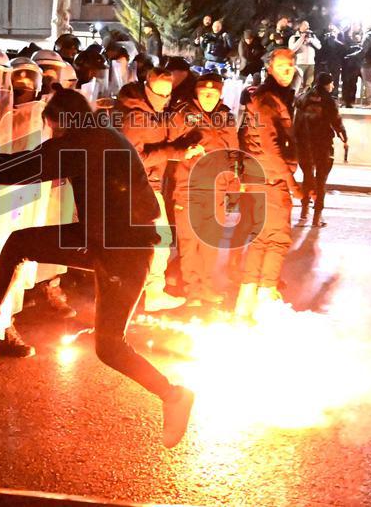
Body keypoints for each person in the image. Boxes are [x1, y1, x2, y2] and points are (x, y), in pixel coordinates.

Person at [0, 86, 196, 449]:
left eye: (50, 128)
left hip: (120, 249)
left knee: (110, 346)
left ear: (61, 123)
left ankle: (173, 395)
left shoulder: (81, 143)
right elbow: (36, 158)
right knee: (22, 242)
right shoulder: (99, 132)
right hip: (106, 237)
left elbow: (24, 167)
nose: (49, 135)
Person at [113, 66, 189, 312]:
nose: (164, 100)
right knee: (158, 240)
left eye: (168, 95)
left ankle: (132, 294)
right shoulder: (135, 116)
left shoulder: (152, 111)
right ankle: (151, 293)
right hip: (139, 187)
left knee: (146, 243)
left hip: (145, 185)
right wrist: (176, 151)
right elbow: (136, 158)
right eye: (159, 94)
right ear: (147, 88)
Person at [235, 49, 302, 320]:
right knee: (277, 239)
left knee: (262, 239)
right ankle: (264, 298)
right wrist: (292, 182)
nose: (289, 70)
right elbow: (269, 148)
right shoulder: (266, 100)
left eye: (292, 66)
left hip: (261, 176)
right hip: (268, 179)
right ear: (270, 68)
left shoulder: (275, 98)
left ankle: (247, 301)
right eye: (283, 66)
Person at [170, 73, 238, 306]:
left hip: (216, 191)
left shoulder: (226, 117)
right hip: (189, 188)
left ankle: (206, 287)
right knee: (190, 244)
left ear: (220, 94)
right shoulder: (183, 114)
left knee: (210, 243)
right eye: (204, 93)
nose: (208, 97)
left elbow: (233, 153)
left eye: (213, 93)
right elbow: (170, 143)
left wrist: (232, 186)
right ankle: (192, 291)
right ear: (197, 93)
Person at [294, 72, 347, 227]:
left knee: (307, 177)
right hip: (322, 144)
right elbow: (336, 121)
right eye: (332, 83)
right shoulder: (329, 101)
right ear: (327, 84)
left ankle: (304, 213)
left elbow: (296, 119)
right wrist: (343, 136)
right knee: (321, 180)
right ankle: (317, 216)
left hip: (304, 144)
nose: (333, 86)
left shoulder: (303, 98)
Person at [288, 20, 321, 91]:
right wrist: (302, 38)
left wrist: (310, 40)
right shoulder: (294, 37)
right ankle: (296, 99)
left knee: (308, 85)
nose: (308, 27)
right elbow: (292, 49)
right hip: (299, 64)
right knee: (298, 84)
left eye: (308, 25)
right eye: (306, 25)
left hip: (311, 63)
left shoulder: (312, 36)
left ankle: (305, 99)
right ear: (299, 26)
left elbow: (319, 46)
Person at [319, 24, 347, 99]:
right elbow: (322, 48)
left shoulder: (341, 37)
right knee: (326, 78)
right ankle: (325, 93)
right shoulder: (326, 38)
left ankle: (334, 95)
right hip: (327, 61)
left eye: (334, 30)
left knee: (336, 78)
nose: (332, 32)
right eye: (331, 30)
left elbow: (343, 48)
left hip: (336, 62)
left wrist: (335, 39)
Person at [340, 23, 363, 108]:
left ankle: (350, 101)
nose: (356, 27)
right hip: (346, 63)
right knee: (346, 82)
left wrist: (359, 43)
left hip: (355, 64)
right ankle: (345, 100)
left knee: (353, 83)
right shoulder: (344, 36)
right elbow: (343, 48)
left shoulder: (360, 36)